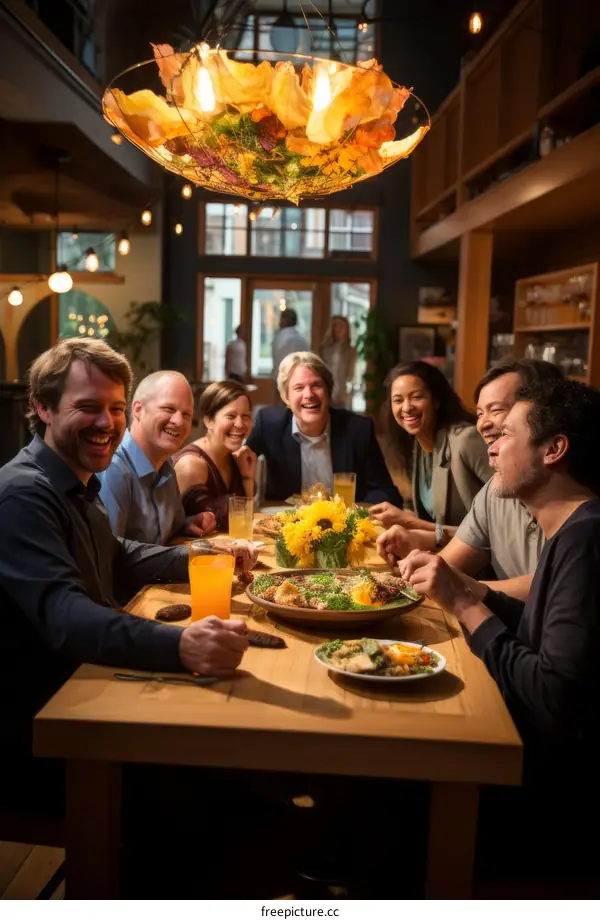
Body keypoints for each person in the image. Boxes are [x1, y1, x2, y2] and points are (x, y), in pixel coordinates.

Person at [0, 339, 255, 775]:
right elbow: (65, 616)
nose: (107, 423)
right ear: (43, 407)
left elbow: (116, 552)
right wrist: (181, 645)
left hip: (89, 685)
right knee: (220, 757)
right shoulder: (23, 493)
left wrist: (205, 557)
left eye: (115, 408)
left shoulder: (77, 479)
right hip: (47, 727)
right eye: (88, 406)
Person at [398, 377, 600, 747]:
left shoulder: (585, 540)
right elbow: (536, 631)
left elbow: (551, 695)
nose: (491, 448)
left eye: (506, 434)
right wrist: (469, 589)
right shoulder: (573, 531)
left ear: (553, 449)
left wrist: (464, 604)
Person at [377, 359, 562, 597]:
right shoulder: (495, 488)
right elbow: (447, 564)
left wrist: (462, 584)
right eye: (479, 413)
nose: (483, 424)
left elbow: (558, 587)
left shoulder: (574, 501)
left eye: (497, 410)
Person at [246, 351, 401, 504]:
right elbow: (239, 464)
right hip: (288, 524)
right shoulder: (269, 425)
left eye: (316, 385)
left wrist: (356, 510)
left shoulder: (358, 429)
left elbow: (385, 492)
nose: (309, 394)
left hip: (344, 524)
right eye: (299, 388)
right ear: (286, 398)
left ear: (328, 392)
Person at [370, 361, 490, 550]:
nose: (407, 407)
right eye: (398, 400)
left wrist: (410, 523)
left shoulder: (466, 440)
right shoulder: (420, 443)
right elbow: (431, 521)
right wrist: (403, 518)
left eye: (416, 397)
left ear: (436, 400)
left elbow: (499, 526)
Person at [98, 370, 216, 544]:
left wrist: (188, 523)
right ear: (138, 410)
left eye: (187, 415)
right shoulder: (113, 468)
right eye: (168, 409)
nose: (178, 421)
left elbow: (168, 533)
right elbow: (111, 555)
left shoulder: (167, 465)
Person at [174, 380, 257, 530]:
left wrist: (247, 477)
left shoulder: (233, 457)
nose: (239, 424)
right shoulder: (192, 464)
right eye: (230, 416)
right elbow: (210, 522)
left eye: (245, 416)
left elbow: (245, 519)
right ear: (208, 420)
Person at [320, 315, 357, 409]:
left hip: (342, 394)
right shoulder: (324, 349)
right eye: (336, 326)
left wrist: (344, 394)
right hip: (324, 392)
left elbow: (350, 376)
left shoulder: (350, 351)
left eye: (341, 326)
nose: (338, 329)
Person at [272, 308, 309, 381]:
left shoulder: (280, 337)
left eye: (282, 318)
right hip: (298, 377)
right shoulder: (301, 338)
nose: (280, 321)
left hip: (283, 377)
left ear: (287, 320)